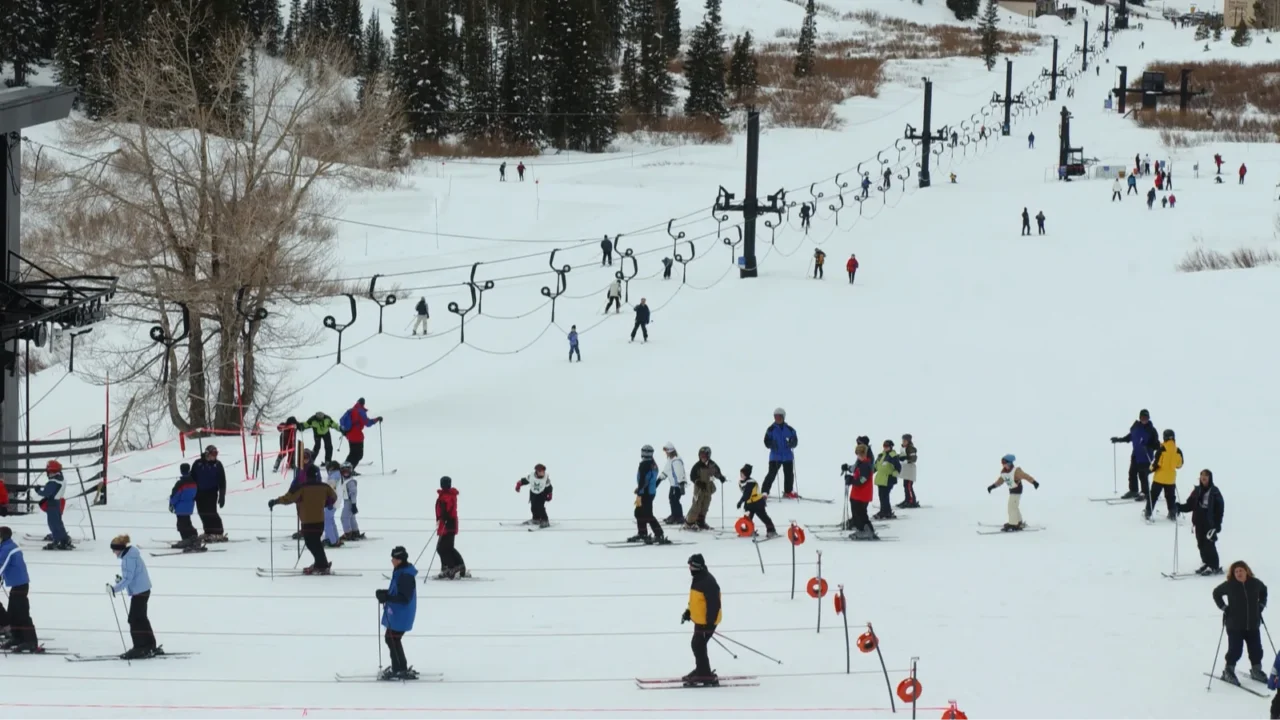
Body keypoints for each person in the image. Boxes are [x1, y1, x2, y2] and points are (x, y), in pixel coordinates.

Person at [268, 461, 337, 575]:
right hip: (320, 521)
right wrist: (326, 503)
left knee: (311, 543)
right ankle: (320, 563)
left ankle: (322, 565)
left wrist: (275, 501)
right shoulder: (324, 487)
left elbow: (288, 498)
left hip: (307, 521)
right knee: (315, 543)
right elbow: (333, 497)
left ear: (307, 476)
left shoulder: (302, 488)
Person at [1213, 561, 1269, 686]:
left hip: (1253, 624)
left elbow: (1264, 591)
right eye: (1236, 571)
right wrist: (1224, 607)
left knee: (1256, 650)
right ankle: (1228, 671)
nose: (1239, 573)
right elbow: (1216, 593)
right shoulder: (1229, 585)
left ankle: (1256, 670)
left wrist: (1261, 605)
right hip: (1235, 625)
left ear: (1246, 571)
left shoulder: (1255, 583)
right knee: (1235, 650)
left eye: (1241, 570)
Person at [109, 534, 160, 659]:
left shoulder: (128, 559)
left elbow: (128, 578)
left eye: (114, 550)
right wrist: (121, 581)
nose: (114, 553)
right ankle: (149, 645)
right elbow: (131, 577)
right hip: (143, 589)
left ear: (119, 549)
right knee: (141, 618)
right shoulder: (131, 554)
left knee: (134, 620)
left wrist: (114, 589)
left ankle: (139, 647)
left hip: (139, 592)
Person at [377, 546, 420, 680]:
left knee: (392, 639)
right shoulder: (401, 571)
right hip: (398, 613)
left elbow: (404, 598)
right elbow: (397, 592)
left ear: (400, 560)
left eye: (394, 558)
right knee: (392, 639)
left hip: (402, 614)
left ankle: (399, 669)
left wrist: (387, 597)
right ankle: (400, 667)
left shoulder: (405, 575)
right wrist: (385, 594)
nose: (392, 561)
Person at [681, 554, 721, 686]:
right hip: (701, 621)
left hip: (707, 622)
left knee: (698, 645)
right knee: (698, 645)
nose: (689, 568)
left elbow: (714, 604)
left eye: (691, 565)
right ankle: (702, 671)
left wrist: (709, 624)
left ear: (697, 567)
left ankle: (704, 675)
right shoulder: (698, 578)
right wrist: (688, 612)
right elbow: (696, 601)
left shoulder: (707, 581)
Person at [0, 526, 39, 652]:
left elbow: (1, 565)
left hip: (20, 584)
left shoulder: (7, 549)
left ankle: (30, 641)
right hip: (17, 584)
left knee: (22, 613)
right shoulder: (7, 546)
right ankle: (17, 637)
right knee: (13, 612)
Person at [1178, 469, 1224, 575]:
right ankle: (1205, 563)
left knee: (1209, 543)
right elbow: (1190, 505)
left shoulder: (1215, 491)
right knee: (1200, 543)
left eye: (1206, 476)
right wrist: (1179, 507)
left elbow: (1220, 509)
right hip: (1199, 520)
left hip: (1210, 521)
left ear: (1210, 478)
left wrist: (1217, 524)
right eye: (1202, 475)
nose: (1204, 477)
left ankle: (1213, 566)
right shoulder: (1197, 490)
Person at [1111, 409, 1159, 502]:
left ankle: (1145, 493)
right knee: (1132, 473)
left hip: (1145, 457)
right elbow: (1129, 438)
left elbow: (1156, 445)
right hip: (1136, 455)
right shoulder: (1136, 428)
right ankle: (1133, 491)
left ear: (1149, 418)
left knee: (1143, 475)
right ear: (1140, 418)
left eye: (1146, 418)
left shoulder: (1152, 430)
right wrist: (1118, 440)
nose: (1144, 419)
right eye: (1142, 417)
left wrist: (1148, 445)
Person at [986, 454, 1039, 531]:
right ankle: (1019, 522)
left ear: (1010, 463)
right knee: (1014, 506)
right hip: (1012, 491)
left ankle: (1013, 524)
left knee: (1011, 507)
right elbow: (1000, 481)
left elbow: (1025, 476)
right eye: (1003, 464)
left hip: (1017, 490)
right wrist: (992, 486)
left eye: (1006, 464)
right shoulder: (1004, 472)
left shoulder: (1016, 471)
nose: (1004, 465)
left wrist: (1034, 482)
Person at [629, 445, 669, 544]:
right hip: (650, 492)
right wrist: (640, 488)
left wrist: (639, 491)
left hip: (645, 493)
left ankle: (658, 534)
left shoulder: (645, 464)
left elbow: (643, 480)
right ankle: (642, 533)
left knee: (646, 514)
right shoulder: (652, 463)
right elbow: (649, 479)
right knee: (640, 513)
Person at [190, 445, 227, 542]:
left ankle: (218, 532)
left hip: (212, 492)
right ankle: (208, 531)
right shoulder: (197, 464)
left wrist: (222, 495)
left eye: (216, 454)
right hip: (199, 493)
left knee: (211, 512)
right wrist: (191, 493)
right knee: (202, 512)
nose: (214, 456)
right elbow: (192, 478)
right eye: (213, 454)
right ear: (207, 454)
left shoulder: (218, 465)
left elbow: (222, 481)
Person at [434, 476, 468, 578]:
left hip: (448, 524)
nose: (444, 485)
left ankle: (451, 567)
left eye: (445, 483)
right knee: (444, 548)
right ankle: (456, 566)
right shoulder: (444, 495)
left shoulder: (448, 496)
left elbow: (448, 509)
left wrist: (444, 517)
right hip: (446, 524)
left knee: (443, 548)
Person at [761, 408, 799, 498]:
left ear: (783, 417)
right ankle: (764, 492)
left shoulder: (790, 429)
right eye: (776, 417)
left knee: (789, 474)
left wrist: (792, 442)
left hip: (787, 456)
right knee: (771, 474)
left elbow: (795, 441)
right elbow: (766, 441)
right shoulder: (771, 429)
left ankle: (788, 491)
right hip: (775, 456)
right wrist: (771, 444)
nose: (777, 419)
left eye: (779, 417)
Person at [1147, 428, 1183, 521]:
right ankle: (1172, 513)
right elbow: (1180, 465)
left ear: (1164, 437)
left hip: (1159, 478)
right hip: (1171, 479)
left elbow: (1156, 464)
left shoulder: (1161, 449)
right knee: (1170, 497)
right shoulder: (1178, 450)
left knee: (1153, 496)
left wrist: (1150, 469)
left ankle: (1148, 512)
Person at [685, 447, 724, 531]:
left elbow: (717, 472)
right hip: (699, 488)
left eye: (704, 456)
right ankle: (690, 523)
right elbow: (692, 476)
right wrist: (698, 482)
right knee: (697, 505)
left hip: (708, 487)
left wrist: (721, 477)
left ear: (708, 456)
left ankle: (700, 522)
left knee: (705, 505)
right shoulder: (697, 466)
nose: (702, 458)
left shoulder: (712, 464)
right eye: (701, 456)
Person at [843, 444, 876, 539]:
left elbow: (862, 480)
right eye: (858, 455)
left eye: (861, 455)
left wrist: (851, 480)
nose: (859, 456)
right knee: (857, 513)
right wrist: (851, 478)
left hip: (862, 494)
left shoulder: (865, 465)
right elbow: (858, 477)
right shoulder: (861, 463)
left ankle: (866, 530)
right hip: (857, 494)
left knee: (860, 513)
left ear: (865, 454)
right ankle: (862, 529)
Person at [38, 460, 72, 550]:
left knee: (53, 524)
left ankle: (57, 541)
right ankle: (64, 539)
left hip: (52, 504)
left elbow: (46, 493)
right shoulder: (60, 479)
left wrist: (38, 490)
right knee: (58, 523)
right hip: (58, 503)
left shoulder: (53, 482)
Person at [340, 398, 382, 471]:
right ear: (363, 403)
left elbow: (342, 420)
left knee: (352, 453)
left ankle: (345, 468)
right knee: (358, 455)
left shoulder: (351, 410)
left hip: (349, 435)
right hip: (357, 436)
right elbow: (367, 423)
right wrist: (377, 419)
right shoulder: (360, 411)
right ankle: (349, 470)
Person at [735, 464, 776, 537]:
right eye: (741, 473)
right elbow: (745, 494)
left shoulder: (751, 482)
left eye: (743, 474)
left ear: (747, 474)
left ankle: (771, 531)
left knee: (763, 517)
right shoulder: (741, 482)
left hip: (757, 503)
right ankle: (749, 530)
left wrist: (740, 502)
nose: (741, 475)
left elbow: (746, 495)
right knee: (747, 518)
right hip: (749, 503)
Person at [168, 463, 200, 549]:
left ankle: (187, 540)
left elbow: (175, 495)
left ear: (181, 471)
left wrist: (171, 504)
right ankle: (192, 538)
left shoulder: (180, 483)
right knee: (187, 522)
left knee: (181, 525)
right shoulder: (193, 482)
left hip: (180, 507)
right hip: (189, 506)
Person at [515, 463, 552, 528]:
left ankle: (545, 520)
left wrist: (550, 494)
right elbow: (525, 480)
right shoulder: (531, 476)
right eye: (540, 471)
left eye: (543, 471)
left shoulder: (546, 479)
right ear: (536, 471)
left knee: (540, 507)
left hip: (541, 494)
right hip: (533, 494)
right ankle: (536, 519)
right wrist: (519, 484)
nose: (542, 473)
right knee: (533, 507)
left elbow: (549, 487)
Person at [660, 443, 689, 526]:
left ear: (670, 451)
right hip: (673, 485)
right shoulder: (670, 460)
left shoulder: (676, 460)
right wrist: (659, 480)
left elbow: (680, 473)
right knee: (672, 499)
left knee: (675, 500)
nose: (666, 453)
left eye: (667, 451)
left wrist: (682, 484)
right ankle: (674, 515)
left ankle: (679, 517)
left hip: (677, 485)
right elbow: (666, 471)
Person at [872, 440, 901, 520]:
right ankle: (886, 511)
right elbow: (876, 466)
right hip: (880, 479)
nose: (885, 448)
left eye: (887, 446)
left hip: (888, 479)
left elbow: (898, 468)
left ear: (891, 447)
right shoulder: (880, 455)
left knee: (884, 496)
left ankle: (884, 512)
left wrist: (893, 474)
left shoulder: (893, 456)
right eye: (884, 446)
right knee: (882, 496)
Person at [339, 463, 364, 541]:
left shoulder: (351, 482)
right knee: (351, 517)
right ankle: (355, 531)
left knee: (344, 518)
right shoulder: (345, 480)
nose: (346, 473)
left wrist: (353, 504)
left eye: (347, 470)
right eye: (343, 471)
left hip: (350, 502)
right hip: (347, 501)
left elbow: (353, 493)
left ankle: (348, 533)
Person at [322, 461, 344, 548]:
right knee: (330, 520)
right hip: (335, 501)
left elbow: (330, 489)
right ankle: (334, 538)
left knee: (326, 520)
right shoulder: (338, 475)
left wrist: (329, 501)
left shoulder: (334, 476)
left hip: (331, 501)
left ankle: (332, 540)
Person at [897, 434, 920, 509]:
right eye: (903, 440)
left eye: (905, 441)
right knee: (905, 485)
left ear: (908, 441)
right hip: (905, 469)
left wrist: (906, 459)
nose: (903, 442)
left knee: (909, 486)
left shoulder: (911, 448)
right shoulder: (903, 448)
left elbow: (913, 459)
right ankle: (907, 499)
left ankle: (912, 501)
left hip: (910, 469)